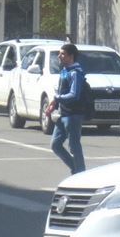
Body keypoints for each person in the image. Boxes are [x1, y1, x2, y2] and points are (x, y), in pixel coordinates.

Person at [46, 43, 87, 175]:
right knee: (55, 144)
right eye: (60, 53)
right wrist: (54, 104)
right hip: (63, 114)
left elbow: (74, 94)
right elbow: (61, 91)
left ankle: (80, 173)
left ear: (71, 56)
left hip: (74, 115)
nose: (59, 56)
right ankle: (76, 168)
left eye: (62, 54)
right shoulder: (64, 71)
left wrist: (58, 97)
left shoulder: (76, 73)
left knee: (74, 146)